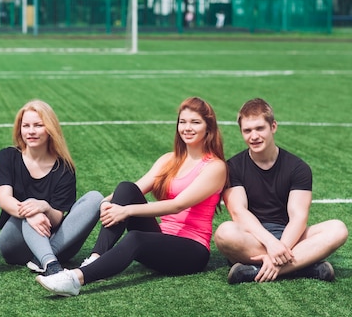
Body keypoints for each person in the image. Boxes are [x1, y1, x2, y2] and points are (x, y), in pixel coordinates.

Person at [36, 97, 227, 296]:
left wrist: (126, 211)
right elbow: (134, 189)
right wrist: (107, 202)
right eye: (183, 121)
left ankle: (75, 279)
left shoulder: (215, 167)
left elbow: (178, 205)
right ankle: (95, 259)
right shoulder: (169, 159)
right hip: (162, 238)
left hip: (191, 251)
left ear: (208, 127)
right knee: (126, 188)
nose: (187, 128)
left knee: (136, 238)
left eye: (195, 122)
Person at [214, 98, 348, 284]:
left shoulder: (298, 167)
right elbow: (239, 213)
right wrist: (271, 244)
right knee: (224, 232)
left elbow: (299, 217)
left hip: (291, 237)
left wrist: (282, 247)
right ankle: (305, 266)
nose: (254, 136)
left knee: (338, 229)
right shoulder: (233, 167)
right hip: (253, 238)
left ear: (273, 127)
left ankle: (255, 271)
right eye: (247, 130)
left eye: (260, 128)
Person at [0, 99, 103, 276]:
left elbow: (57, 218)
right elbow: (5, 200)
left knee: (95, 198)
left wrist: (44, 207)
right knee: (30, 204)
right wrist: (33, 211)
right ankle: (51, 265)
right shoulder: (7, 157)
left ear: (50, 129)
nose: (31, 131)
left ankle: (44, 259)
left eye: (38, 125)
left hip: (58, 244)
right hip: (14, 245)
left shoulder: (64, 168)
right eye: (26, 126)